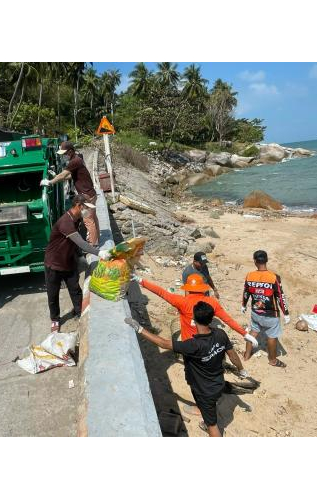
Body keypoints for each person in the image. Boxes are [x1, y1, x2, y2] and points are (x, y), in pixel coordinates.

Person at [125, 301, 248, 437]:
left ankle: (209, 425)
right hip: (218, 383)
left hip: (204, 390)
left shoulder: (193, 345)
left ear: (194, 320)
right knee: (208, 405)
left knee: (212, 425)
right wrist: (241, 370)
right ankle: (202, 410)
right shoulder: (220, 334)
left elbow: (164, 344)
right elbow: (233, 355)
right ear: (211, 319)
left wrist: (139, 329)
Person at [44, 194, 111, 333]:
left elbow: (75, 245)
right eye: (86, 208)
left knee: (75, 289)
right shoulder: (65, 222)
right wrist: (99, 253)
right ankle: (55, 319)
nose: (88, 211)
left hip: (69, 261)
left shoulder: (77, 219)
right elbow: (80, 242)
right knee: (53, 294)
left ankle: (80, 312)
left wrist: (79, 257)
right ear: (79, 206)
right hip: (54, 264)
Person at [133, 273, 258, 347]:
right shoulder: (212, 302)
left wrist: (140, 280)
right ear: (204, 289)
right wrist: (245, 334)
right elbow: (228, 320)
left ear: (187, 289)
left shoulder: (181, 302)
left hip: (189, 344)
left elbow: (161, 292)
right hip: (206, 343)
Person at [40, 141, 100, 246]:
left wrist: (50, 182)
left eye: (65, 153)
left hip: (86, 195)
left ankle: (93, 244)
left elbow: (64, 175)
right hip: (90, 193)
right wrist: (56, 176)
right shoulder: (77, 159)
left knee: (88, 220)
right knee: (93, 218)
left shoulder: (74, 161)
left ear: (71, 151)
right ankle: (96, 238)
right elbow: (69, 176)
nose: (63, 155)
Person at [241, 250, 290, 367]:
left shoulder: (249, 276)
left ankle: (246, 356)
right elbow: (280, 296)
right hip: (271, 314)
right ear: (266, 260)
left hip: (255, 312)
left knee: (253, 332)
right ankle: (273, 360)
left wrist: (243, 305)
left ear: (255, 261)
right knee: (272, 336)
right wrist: (286, 313)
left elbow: (246, 293)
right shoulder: (274, 277)